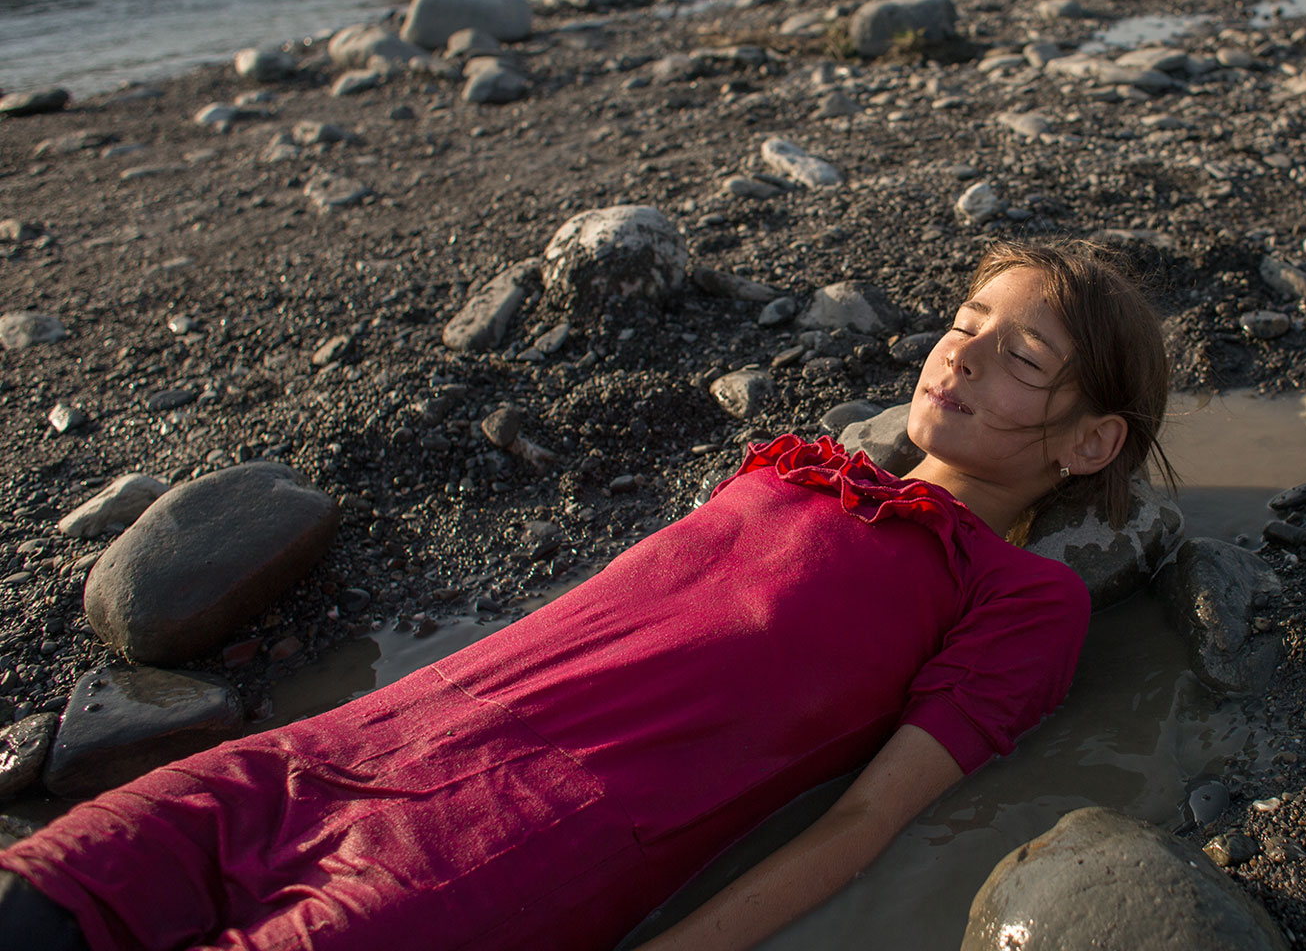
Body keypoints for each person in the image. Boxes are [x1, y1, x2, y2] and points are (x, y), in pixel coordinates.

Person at [0, 238, 1174, 951]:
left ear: (1090, 442)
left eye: (1021, 359)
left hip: (493, 851)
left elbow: (865, 823)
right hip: (329, 749)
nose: (960, 355)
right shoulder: (792, 463)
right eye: (966, 324)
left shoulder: (1019, 595)